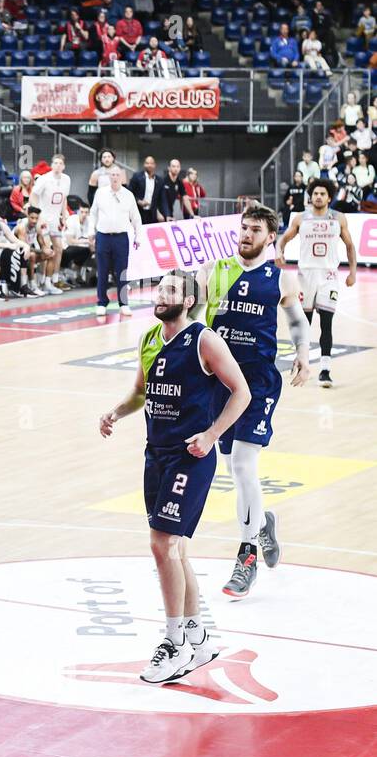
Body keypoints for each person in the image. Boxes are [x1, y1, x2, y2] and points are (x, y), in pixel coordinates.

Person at [98, 269, 250, 683]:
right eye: (159, 287)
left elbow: (242, 392)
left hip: (191, 456)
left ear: (187, 301)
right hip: (157, 455)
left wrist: (213, 434)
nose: (160, 294)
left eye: (169, 290)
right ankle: (197, 635)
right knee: (176, 549)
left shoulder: (204, 340)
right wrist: (115, 412)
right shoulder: (150, 339)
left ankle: (174, 642)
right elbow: (140, 393)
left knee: (161, 544)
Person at [194, 205, 312, 599]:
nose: (245, 234)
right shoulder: (217, 270)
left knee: (244, 463)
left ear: (270, 237)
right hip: (219, 382)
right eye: (242, 227)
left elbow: (296, 320)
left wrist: (303, 354)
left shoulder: (280, 277)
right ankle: (262, 523)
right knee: (233, 466)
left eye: (254, 229)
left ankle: (247, 557)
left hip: (258, 383)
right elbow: (194, 316)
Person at [275, 179, 356, 389]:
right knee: (304, 323)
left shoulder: (338, 218)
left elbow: (349, 246)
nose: (318, 196)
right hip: (305, 276)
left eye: (323, 193)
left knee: (326, 323)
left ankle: (326, 369)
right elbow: (284, 238)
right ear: (311, 196)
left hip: (328, 276)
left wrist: (352, 273)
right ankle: (303, 362)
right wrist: (278, 251)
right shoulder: (302, 218)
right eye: (316, 193)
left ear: (329, 197)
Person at [88, 168, 142, 316]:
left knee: (122, 272)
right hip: (103, 237)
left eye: (118, 175)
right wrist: (90, 232)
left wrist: (138, 236)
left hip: (121, 238)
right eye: (112, 175)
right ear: (108, 177)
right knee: (103, 271)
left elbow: (136, 218)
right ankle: (101, 303)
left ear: (122, 178)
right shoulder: (100, 193)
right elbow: (93, 214)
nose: (115, 177)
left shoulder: (128, 195)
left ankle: (123, 303)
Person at [30, 154, 73, 292]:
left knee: (59, 248)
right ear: (52, 165)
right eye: (55, 163)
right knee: (48, 250)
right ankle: (42, 280)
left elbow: (64, 198)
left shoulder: (66, 179)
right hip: (44, 218)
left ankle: (54, 279)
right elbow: (33, 196)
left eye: (60, 163)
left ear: (64, 166)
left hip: (56, 219)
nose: (58, 165)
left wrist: (64, 216)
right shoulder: (44, 179)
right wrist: (38, 215)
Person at [13, 205, 52, 297]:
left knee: (50, 254)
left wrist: (47, 250)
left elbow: (42, 244)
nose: (34, 221)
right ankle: (32, 285)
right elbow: (23, 247)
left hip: (27, 251)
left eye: (36, 218)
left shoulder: (37, 227)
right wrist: (41, 251)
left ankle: (47, 283)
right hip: (13, 252)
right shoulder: (22, 227)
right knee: (32, 255)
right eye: (32, 218)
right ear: (27, 216)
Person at [129, 155, 162, 225]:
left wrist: (159, 212)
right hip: (139, 211)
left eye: (151, 163)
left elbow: (160, 199)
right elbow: (129, 192)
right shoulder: (137, 176)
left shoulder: (159, 180)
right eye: (147, 163)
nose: (149, 165)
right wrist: (138, 201)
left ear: (155, 165)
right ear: (144, 165)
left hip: (152, 213)